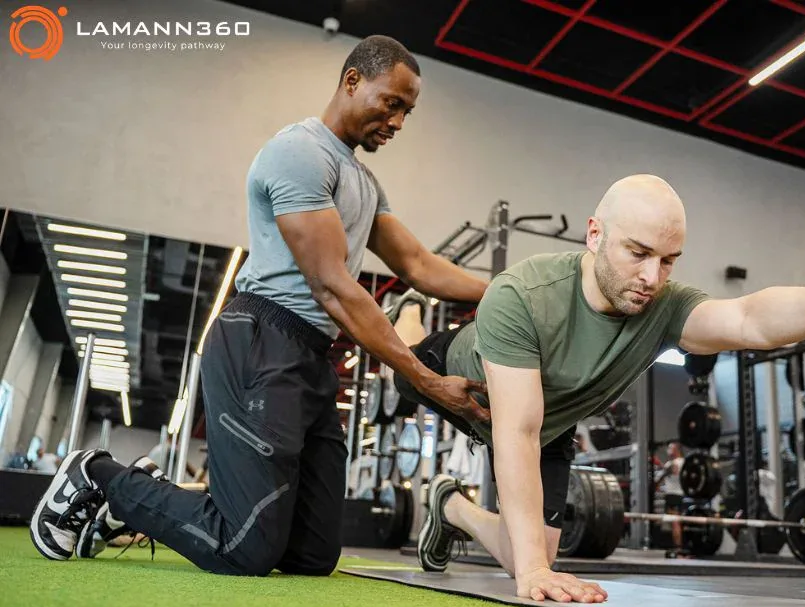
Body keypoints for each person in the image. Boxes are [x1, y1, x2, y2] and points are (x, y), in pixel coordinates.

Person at [30, 35, 489, 577]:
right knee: (242, 549)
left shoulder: (364, 181)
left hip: (311, 353)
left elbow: (417, 264)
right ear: (352, 81)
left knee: (312, 556)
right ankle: (98, 475)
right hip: (261, 339)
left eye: (407, 111)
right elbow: (331, 285)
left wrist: (507, 290)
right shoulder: (300, 153)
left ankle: (136, 496)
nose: (398, 122)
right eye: (392, 103)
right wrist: (426, 380)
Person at [390, 173, 805, 605]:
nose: (653, 277)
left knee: (534, 556)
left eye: (668, 260)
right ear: (595, 235)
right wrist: (533, 570)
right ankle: (408, 315)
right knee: (402, 368)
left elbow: (752, 320)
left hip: (544, 421)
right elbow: (516, 432)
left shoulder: (664, 306)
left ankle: (451, 506)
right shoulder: (523, 294)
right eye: (638, 252)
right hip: (457, 379)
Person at [655, 441, 685, 549]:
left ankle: (678, 548)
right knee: (677, 522)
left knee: (674, 523)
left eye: (670, 448)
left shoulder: (671, 464)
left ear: (676, 450)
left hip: (672, 495)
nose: (668, 451)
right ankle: (678, 546)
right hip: (681, 495)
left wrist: (656, 485)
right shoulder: (685, 463)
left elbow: (658, 480)